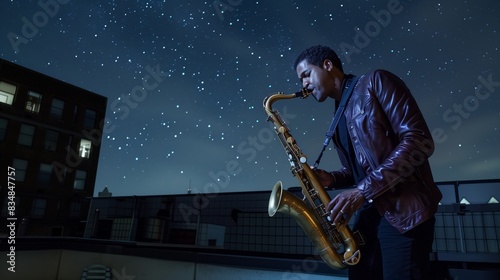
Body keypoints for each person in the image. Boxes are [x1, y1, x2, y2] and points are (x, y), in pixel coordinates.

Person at [293, 45, 442, 280]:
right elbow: (360, 169)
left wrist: (361, 191)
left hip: (403, 213)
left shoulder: (376, 81)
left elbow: (419, 143)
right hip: (371, 213)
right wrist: (331, 178)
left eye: (306, 75)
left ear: (328, 65)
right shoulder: (338, 114)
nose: (304, 85)